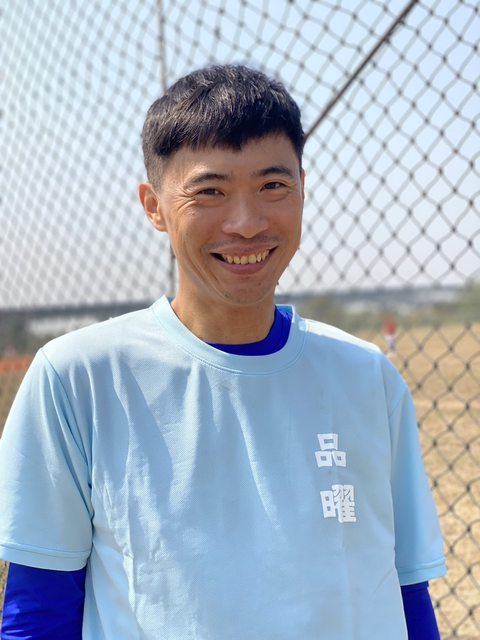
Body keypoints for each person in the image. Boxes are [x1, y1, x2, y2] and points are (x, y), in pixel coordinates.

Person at [0, 64, 445, 639]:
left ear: (303, 187)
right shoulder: (78, 378)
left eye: (272, 186)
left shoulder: (369, 378)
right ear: (153, 205)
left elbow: (406, 590)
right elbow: (40, 609)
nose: (246, 223)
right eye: (210, 191)